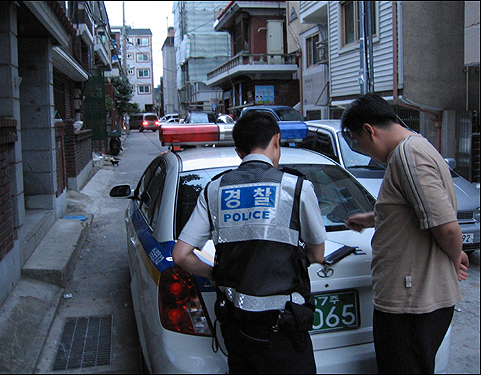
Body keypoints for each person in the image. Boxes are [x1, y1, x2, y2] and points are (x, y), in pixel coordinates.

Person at [172, 112, 326, 374]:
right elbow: (318, 254)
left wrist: (214, 274)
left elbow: (181, 254)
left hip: (238, 329)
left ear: (238, 151)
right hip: (285, 329)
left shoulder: (214, 189)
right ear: (276, 140)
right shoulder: (296, 187)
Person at [342, 93, 469, 374]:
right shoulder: (415, 149)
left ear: (369, 130)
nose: (362, 151)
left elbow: (446, 225)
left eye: (358, 142)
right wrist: (374, 217)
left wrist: (454, 254)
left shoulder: (407, 156)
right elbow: (415, 209)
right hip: (413, 299)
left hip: (413, 303)